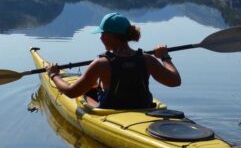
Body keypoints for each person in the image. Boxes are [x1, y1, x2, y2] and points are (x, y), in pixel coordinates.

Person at [45, 12, 181, 109]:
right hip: (144, 108)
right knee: (96, 87)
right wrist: (165, 57)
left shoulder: (101, 64)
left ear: (111, 36)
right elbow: (175, 81)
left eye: (102, 34)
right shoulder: (147, 59)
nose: (100, 38)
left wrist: (53, 74)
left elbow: (71, 92)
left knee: (87, 91)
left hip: (111, 111)